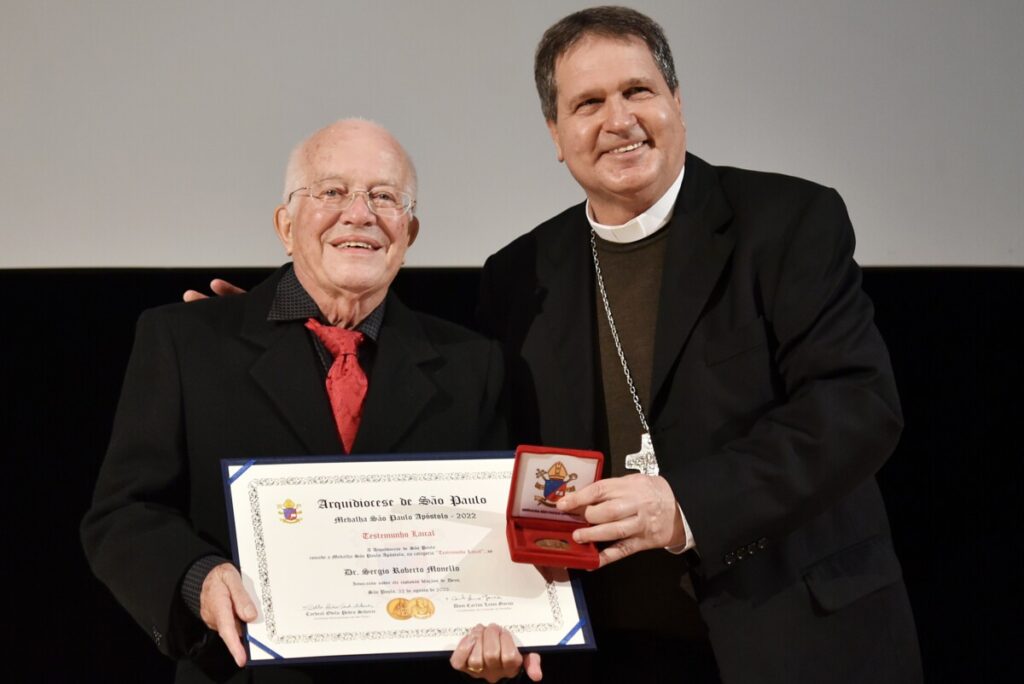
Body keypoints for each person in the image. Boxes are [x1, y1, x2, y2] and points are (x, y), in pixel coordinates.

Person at [464, 6, 922, 684]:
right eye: (588, 103)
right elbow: (500, 459)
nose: (618, 120)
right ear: (556, 134)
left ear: (676, 102)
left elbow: (856, 406)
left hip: (796, 636)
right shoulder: (519, 273)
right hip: (608, 650)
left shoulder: (787, 221)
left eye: (637, 91)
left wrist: (684, 504)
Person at [81, 119, 511, 683]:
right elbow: (123, 514)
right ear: (286, 225)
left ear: (410, 232)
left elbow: (496, 537)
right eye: (332, 192)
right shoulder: (186, 341)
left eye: (385, 197)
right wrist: (199, 577)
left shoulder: (472, 364)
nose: (359, 213)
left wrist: (501, 626)